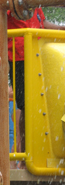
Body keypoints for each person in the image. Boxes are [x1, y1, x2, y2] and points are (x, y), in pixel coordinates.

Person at [7, 8, 65, 156]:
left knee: (43, 101)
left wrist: (60, 28)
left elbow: (43, 22)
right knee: (26, 105)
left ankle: (39, 152)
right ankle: (27, 154)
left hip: (38, 53)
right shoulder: (14, 5)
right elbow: (8, 12)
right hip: (20, 57)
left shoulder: (36, 6)